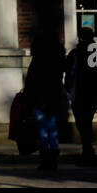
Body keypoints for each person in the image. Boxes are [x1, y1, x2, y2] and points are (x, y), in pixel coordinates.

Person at [23, 32, 67, 171]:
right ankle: (53, 157)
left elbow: (30, 81)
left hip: (39, 99)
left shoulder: (37, 60)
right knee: (52, 129)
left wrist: (27, 97)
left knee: (42, 130)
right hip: (53, 98)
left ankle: (45, 158)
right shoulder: (58, 59)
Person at [64, 26, 97, 166]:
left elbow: (69, 70)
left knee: (83, 124)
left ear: (80, 38)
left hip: (80, 93)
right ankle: (88, 152)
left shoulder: (77, 53)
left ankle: (88, 153)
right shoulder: (94, 52)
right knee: (85, 123)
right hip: (90, 94)